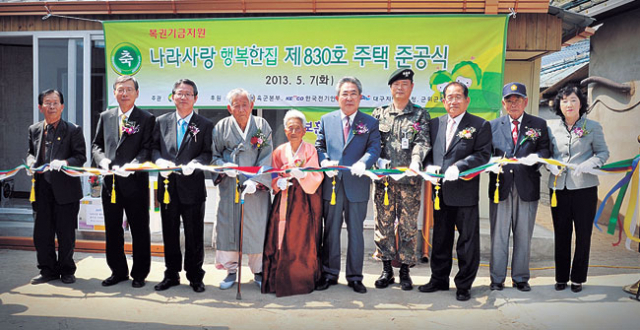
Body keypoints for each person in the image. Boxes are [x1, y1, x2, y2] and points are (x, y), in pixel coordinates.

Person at [417, 82, 491, 301]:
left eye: (458, 97)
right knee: (440, 238)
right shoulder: (434, 124)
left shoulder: (479, 124)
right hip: (440, 193)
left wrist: (460, 167)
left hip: (465, 192)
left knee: (467, 241)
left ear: (467, 100)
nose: (453, 101)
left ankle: (464, 284)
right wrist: (428, 167)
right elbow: (428, 152)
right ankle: (438, 279)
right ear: (443, 101)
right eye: (449, 97)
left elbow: (483, 154)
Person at [315, 76, 381, 294]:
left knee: (356, 233)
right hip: (332, 185)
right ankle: (329, 274)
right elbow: (319, 145)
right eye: (345, 93)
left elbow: (374, 148)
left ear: (360, 97)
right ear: (337, 97)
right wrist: (324, 161)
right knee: (331, 232)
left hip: (357, 185)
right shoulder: (326, 119)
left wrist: (364, 163)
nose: (349, 97)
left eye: (353, 93)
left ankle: (355, 277)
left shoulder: (369, 122)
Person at [92, 75, 155, 288]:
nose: (125, 93)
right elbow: (96, 145)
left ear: (137, 93)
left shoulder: (146, 118)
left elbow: (148, 148)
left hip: (135, 183)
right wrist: (102, 161)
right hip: (110, 184)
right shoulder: (105, 116)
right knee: (112, 229)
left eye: (129, 89)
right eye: (121, 89)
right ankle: (118, 271)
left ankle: (139, 274)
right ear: (115, 93)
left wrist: (133, 165)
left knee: (139, 229)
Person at [370, 69, 431, 291]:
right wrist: (373, 162)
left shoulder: (420, 115)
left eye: (405, 84)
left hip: (409, 182)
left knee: (407, 226)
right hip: (384, 181)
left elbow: (422, 141)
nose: (400, 88)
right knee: (383, 225)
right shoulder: (379, 114)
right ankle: (386, 269)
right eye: (396, 84)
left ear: (412, 87)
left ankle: (405, 270)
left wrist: (416, 161)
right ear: (390, 88)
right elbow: (372, 142)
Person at [151, 79, 213, 293]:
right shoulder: (161, 121)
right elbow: (153, 148)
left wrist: (196, 163)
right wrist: (159, 161)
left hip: (192, 187)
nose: (184, 97)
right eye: (180, 93)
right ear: (173, 96)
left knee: (194, 234)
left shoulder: (204, 124)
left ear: (196, 98)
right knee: (169, 232)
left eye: (188, 94)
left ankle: (195, 275)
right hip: (168, 187)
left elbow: (207, 153)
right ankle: (171, 274)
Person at [487, 82, 550, 292]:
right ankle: (497, 279)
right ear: (504, 103)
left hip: (527, 187)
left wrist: (535, 158)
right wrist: (491, 164)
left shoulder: (538, 124)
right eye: (509, 100)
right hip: (500, 187)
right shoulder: (493, 125)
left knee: (523, 234)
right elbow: (484, 154)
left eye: (518, 100)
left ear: (526, 101)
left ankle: (521, 278)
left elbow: (545, 151)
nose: (514, 104)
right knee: (499, 235)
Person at [547, 84, 609, 293]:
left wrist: (590, 163)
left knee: (583, 235)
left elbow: (602, 153)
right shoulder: (551, 127)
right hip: (558, 188)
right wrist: (549, 164)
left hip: (585, 188)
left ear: (581, 103)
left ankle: (578, 278)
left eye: (573, 100)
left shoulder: (592, 126)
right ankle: (561, 277)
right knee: (561, 234)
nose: (569, 104)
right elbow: (545, 153)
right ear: (559, 105)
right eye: (564, 100)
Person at [211, 88, 273, 290]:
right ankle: (231, 272)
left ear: (252, 106)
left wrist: (256, 181)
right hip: (230, 187)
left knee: (257, 228)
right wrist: (223, 167)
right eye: (236, 105)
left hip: (255, 190)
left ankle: (259, 271)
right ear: (229, 108)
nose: (240, 109)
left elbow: (267, 155)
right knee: (229, 227)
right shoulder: (221, 127)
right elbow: (213, 155)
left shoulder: (261, 126)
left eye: (244, 104)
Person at [26, 89, 86, 285]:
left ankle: (67, 270)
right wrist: (30, 162)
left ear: (62, 106)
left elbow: (80, 157)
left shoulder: (73, 130)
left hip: (65, 190)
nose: (51, 106)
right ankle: (47, 270)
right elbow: (30, 152)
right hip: (42, 189)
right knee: (42, 234)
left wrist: (66, 162)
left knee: (66, 233)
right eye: (47, 103)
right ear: (40, 107)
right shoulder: (34, 129)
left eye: (55, 103)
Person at [261, 109, 323, 297]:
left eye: (298, 128)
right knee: (279, 237)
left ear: (304, 131)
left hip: (304, 201)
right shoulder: (279, 151)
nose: (294, 131)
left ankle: (300, 279)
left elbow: (317, 175)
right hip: (284, 198)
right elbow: (272, 175)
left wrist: (303, 174)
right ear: (285, 131)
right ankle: (277, 278)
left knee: (301, 238)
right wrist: (277, 183)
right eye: (290, 128)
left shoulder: (310, 150)